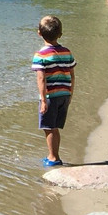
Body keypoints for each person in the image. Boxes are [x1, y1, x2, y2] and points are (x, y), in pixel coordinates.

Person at [32, 15, 76, 167]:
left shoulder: (40, 55)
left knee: (48, 128)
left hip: (51, 96)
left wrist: (43, 100)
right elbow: (72, 74)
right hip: (64, 94)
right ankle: (55, 155)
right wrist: (70, 93)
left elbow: (41, 79)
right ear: (60, 34)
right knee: (55, 127)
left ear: (39, 33)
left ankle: (53, 157)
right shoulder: (67, 52)